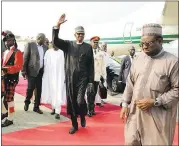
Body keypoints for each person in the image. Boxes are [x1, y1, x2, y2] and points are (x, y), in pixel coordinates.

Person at [120, 23, 178, 145]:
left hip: (158, 117)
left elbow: (177, 89)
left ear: (160, 41)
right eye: (142, 44)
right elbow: (130, 83)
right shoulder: (138, 59)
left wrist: (155, 101)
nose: (144, 47)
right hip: (135, 114)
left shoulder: (172, 62)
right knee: (131, 141)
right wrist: (125, 103)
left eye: (148, 43)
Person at [52, 14, 94, 134]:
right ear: (74, 35)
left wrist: (90, 81)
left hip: (83, 79)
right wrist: (58, 25)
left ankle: (83, 115)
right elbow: (55, 41)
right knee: (71, 103)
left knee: (80, 101)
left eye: (82, 34)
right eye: (78, 34)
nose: (80, 36)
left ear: (84, 35)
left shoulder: (88, 48)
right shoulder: (68, 45)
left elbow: (91, 65)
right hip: (70, 79)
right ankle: (74, 125)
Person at [22, 33, 48, 114]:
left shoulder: (45, 47)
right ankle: (27, 102)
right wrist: (23, 70)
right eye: (44, 39)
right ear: (40, 39)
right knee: (30, 88)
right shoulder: (30, 45)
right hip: (31, 71)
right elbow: (25, 57)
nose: (45, 41)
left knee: (39, 90)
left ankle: (36, 107)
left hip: (40, 71)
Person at [1, 30, 23, 127]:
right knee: (5, 100)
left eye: (9, 40)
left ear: (13, 41)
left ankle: (10, 118)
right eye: (5, 41)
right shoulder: (5, 52)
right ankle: (6, 113)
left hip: (12, 79)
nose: (6, 42)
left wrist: (5, 69)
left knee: (10, 100)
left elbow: (18, 67)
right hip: (4, 78)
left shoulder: (17, 52)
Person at [41, 46, 66, 119]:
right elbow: (45, 64)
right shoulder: (48, 52)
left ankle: (58, 112)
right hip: (50, 76)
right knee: (51, 91)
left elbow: (65, 65)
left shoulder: (62, 52)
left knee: (58, 92)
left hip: (59, 76)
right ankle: (53, 108)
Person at [87, 36, 107, 117]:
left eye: (96, 42)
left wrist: (103, 76)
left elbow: (103, 65)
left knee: (94, 93)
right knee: (89, 93)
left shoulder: (100, 53)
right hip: (89, 77)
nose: (95, 44)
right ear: (91, 42)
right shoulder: (87, 52)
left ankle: (92, 109)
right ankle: (89, 110)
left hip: (97, 76)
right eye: (94, 42)